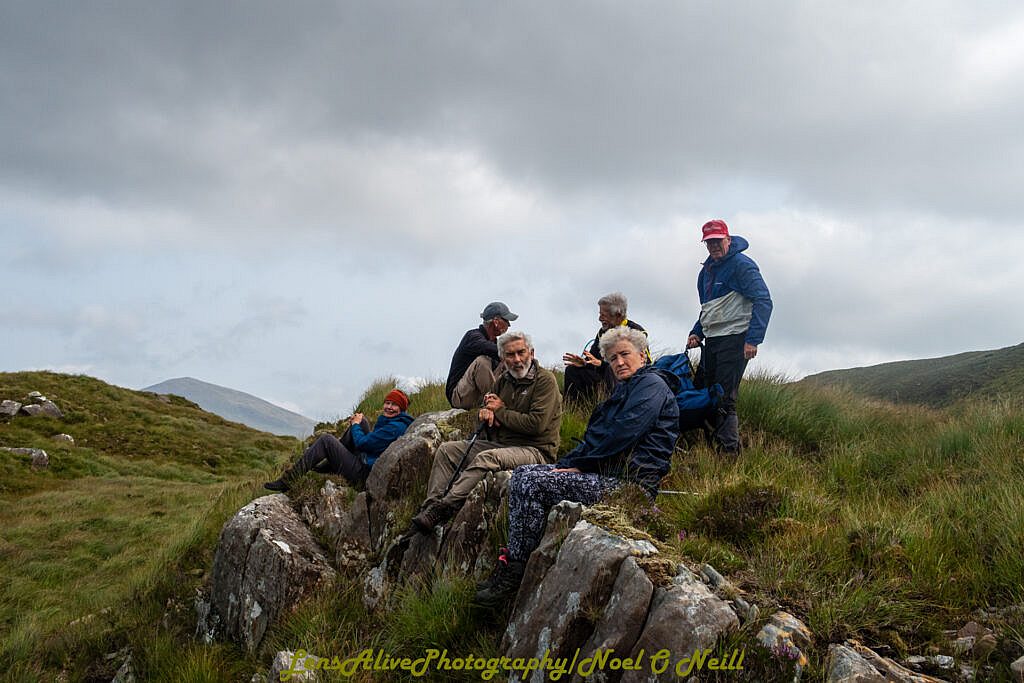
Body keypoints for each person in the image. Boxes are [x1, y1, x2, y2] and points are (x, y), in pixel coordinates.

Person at [474, 327, 679, 607]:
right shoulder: (624, 390)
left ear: (642, 355)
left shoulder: (652, 386)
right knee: (524, 474)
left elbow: (624, 434)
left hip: (629, 487)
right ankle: (514, 564)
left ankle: (516, 571)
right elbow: (594, 439)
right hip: (605, 476)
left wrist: (581, 467)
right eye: (612, 358)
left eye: (625, 355)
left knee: (532, 483)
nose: (618, 362)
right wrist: (566, 465)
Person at [411, 330, 562, 532]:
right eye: (510, 355)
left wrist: (499, 411)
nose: (517, 360)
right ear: (503, 358)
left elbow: (536, 425)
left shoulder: (545, 381)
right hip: (503, 445)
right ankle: (430, 506)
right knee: (448, 451)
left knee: (487, 458)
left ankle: (444, 508)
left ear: (531, 353)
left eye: (521, 352)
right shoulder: (503, 381)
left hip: (536, 450)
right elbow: (493, 415)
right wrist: (486, 415)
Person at [686, 219, 772, 454]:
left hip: (735, 338)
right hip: (712, 340)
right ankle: (708, 443)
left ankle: (729, 453)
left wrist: (753, 340)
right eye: (709, 242)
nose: (713, 246)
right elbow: (709, 308)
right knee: (703, 390)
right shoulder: (706, 271)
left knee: (724, 396)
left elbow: (764, 301)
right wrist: (697, 331)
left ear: (728, 239)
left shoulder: (742, 266)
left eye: (717, 241)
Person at [263, 389, 413, 492]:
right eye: (387, 403)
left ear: (401, 409)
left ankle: (288, 480)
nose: (389, 407)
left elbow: (362, 443)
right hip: (368, 460)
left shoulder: (394, 428)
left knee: (326, 440)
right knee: (363, 422)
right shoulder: (396, 422)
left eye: (394, 405)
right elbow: (371, 443)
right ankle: (330, 463)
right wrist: (358, 424)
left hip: (364, 475)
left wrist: (354, 425)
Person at [562, 292, 649, 403]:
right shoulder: (602, 333)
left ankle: (615, 405)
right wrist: (584, 363)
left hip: (627, 379)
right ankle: (574, 410)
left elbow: (646, 364)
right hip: (603, 378)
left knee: (610, 369)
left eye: (603, 315)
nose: (599, 318)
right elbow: (594, 361)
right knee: (572, 370)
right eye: (600, 314)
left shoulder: (636, 332)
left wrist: (602, 365)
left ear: (617, 315)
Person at [445, 302, 518, 409]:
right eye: (506, 320)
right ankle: (497, 403)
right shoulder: (473, 337)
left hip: (477, 395)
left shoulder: (494, 342)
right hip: (459, 396)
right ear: (496, 322)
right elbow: (488, 348)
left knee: (507, 363)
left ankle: (516, 399)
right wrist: (514, 351)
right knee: (483, 361)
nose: (509, 325)